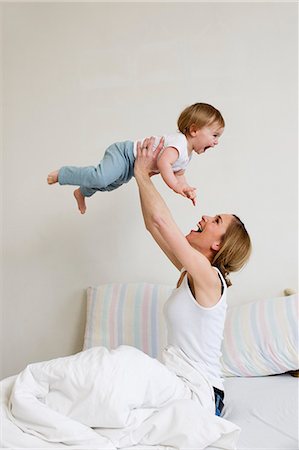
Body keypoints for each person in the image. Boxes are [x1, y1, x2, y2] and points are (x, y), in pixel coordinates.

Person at [134, 136, 252, 416]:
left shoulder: (210, 279)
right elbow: (153, 225)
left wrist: (142, 174)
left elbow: (163, 221)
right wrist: (141, 177)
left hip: (202, 395)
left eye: (215, 222)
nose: (205, 217)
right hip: (179, 383)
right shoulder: (192, 273)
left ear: (218, 245)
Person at [47, 103, 224, 213]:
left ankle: (82, 192)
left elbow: (179, 174)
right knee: (100, 177)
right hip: (124, 154)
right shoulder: (178, 143)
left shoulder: (187, 155)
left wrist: (185, 187)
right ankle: (62, 174)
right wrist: (175, 187)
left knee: (107, 185)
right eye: (214, 135)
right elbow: (164, 163)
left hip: (132, 168)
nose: (216, 142)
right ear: (194, 130)